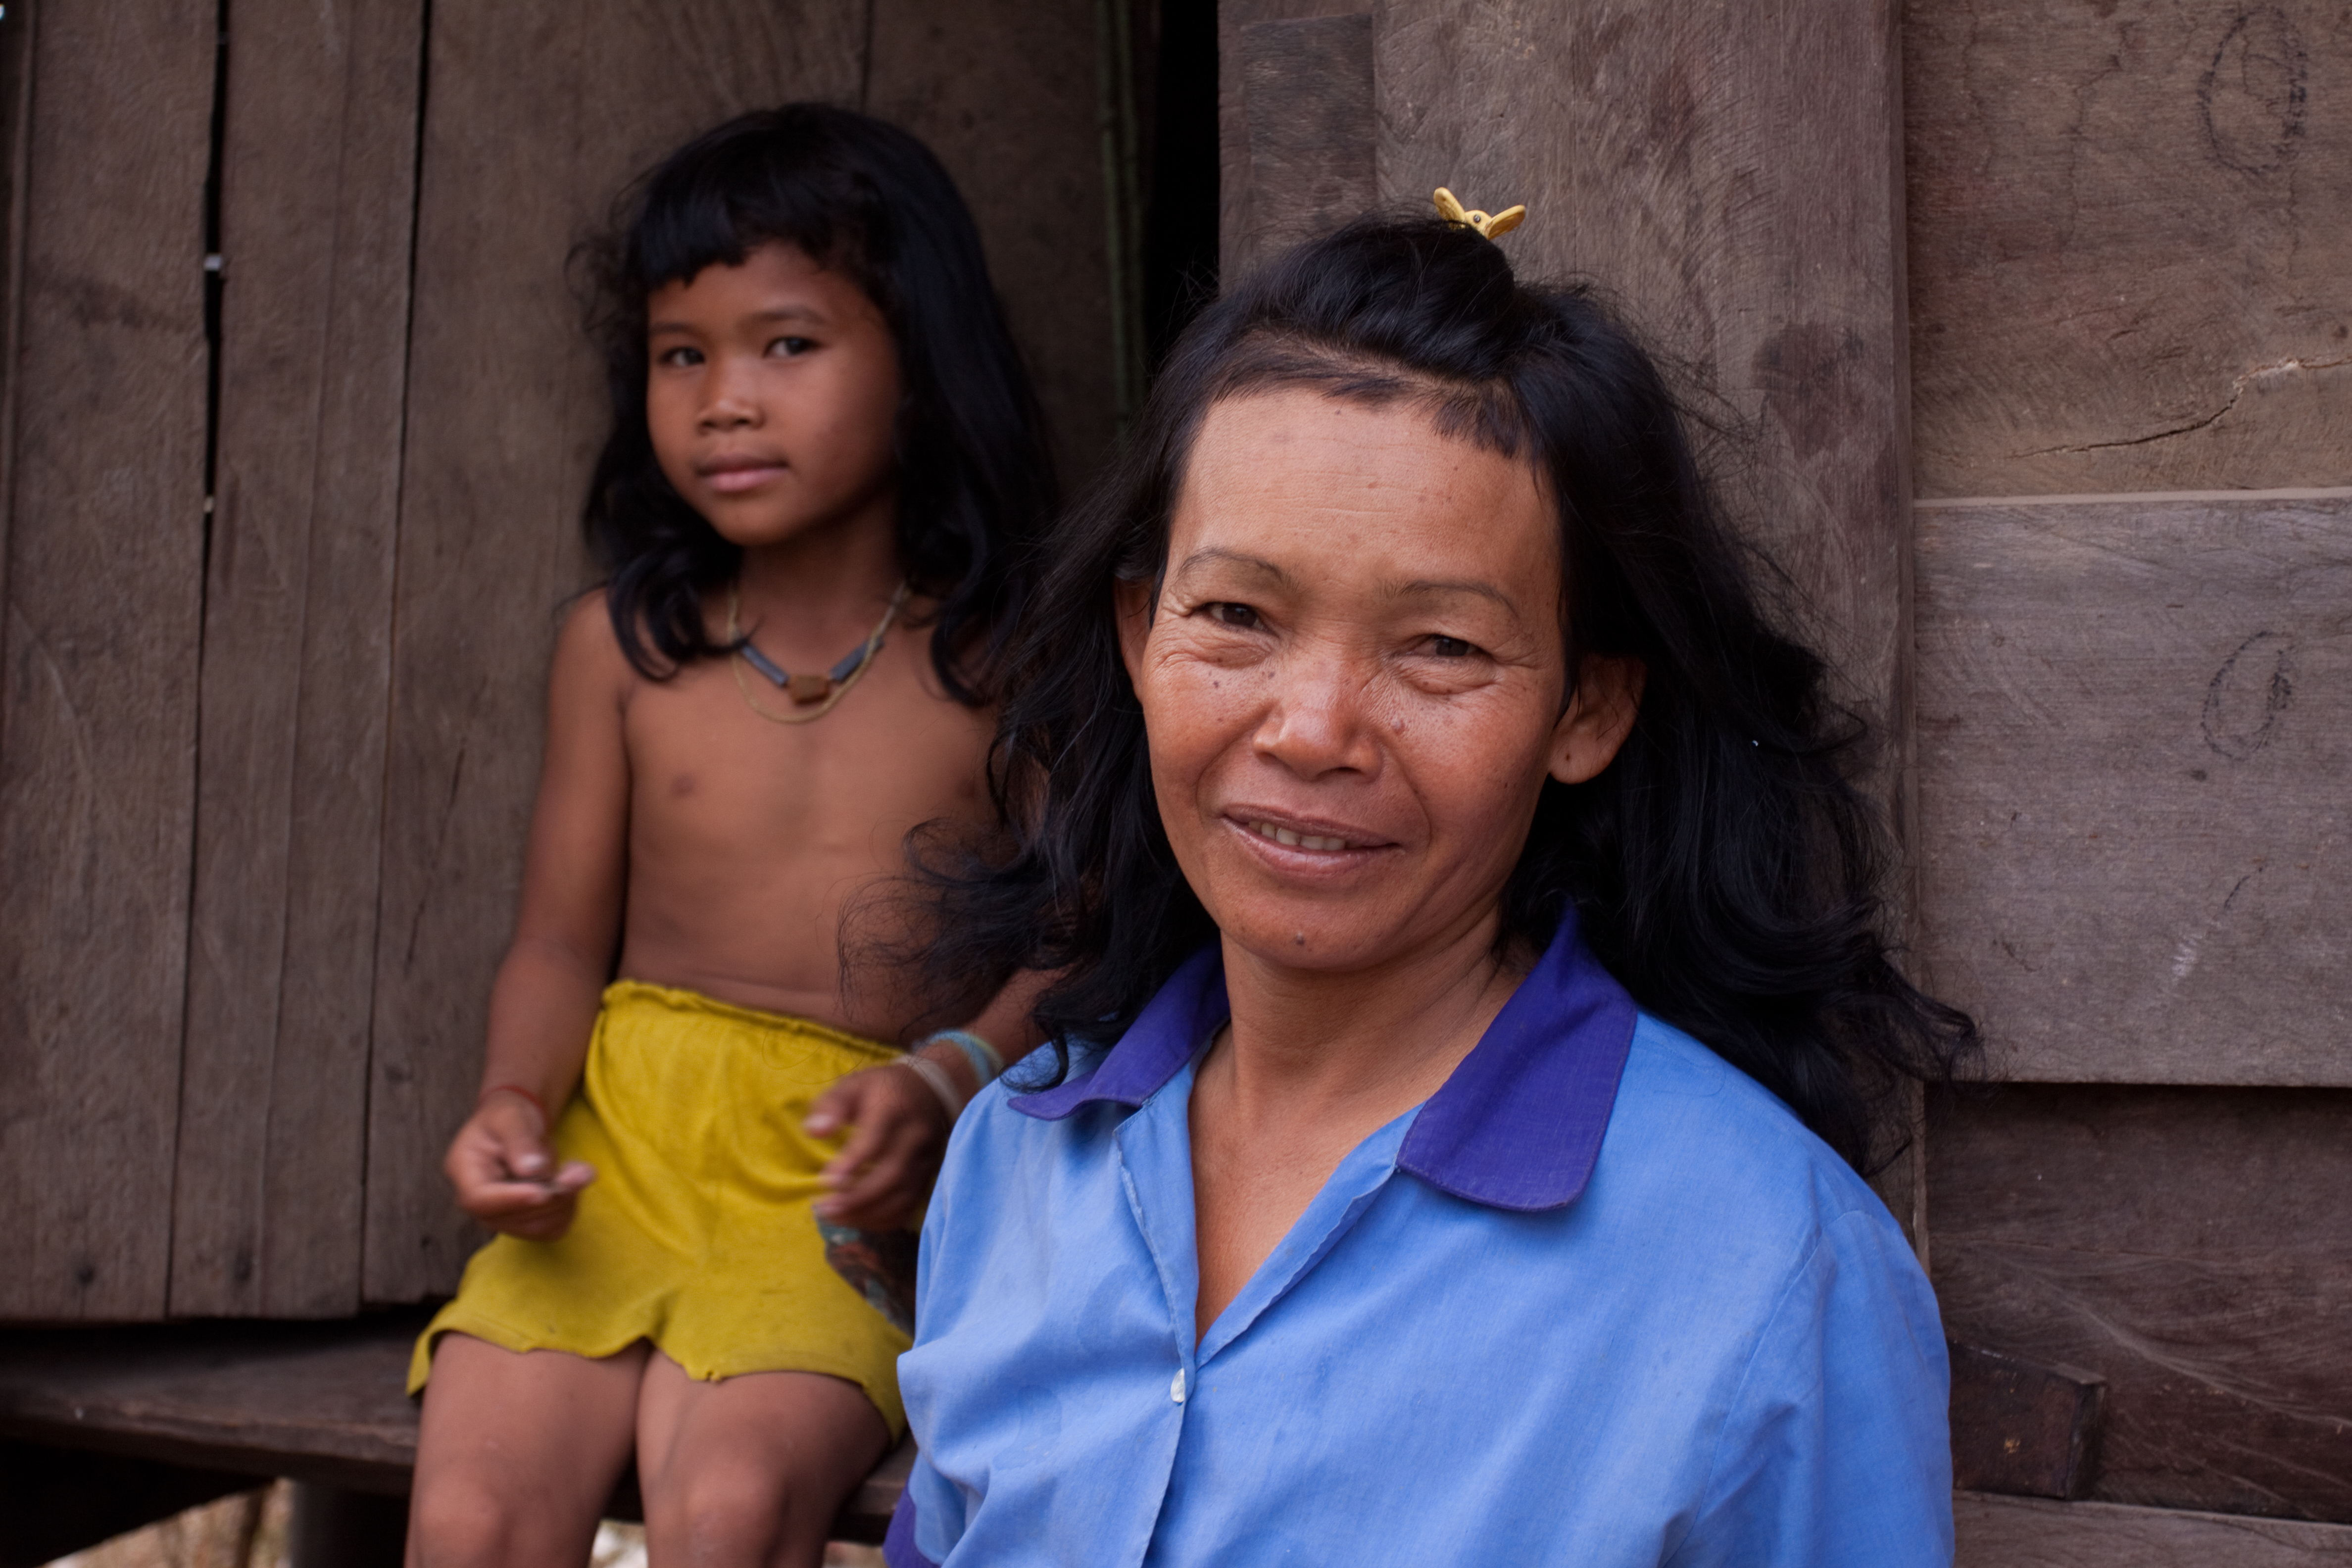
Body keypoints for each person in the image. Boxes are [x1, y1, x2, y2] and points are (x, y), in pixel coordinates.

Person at [885, 210, 1978, 1567]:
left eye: (1443, 646)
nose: (1312, 731)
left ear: (1587, 707)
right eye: (1235, 615)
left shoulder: (1772, 1266)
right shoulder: (1014, 1156)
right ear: (1139, 632)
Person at [403, 105, 1055, 1568]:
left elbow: (1091, 939)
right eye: (680, 355)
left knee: (732, 1511)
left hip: (840, 1182)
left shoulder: (1006, 666)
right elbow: (558, 942)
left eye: (787, 344)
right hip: (615, 1160)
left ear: (922, 361)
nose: (724, 402)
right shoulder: (621, 653)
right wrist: (511, 1104)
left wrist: (953, 1074)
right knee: (468, 1518)